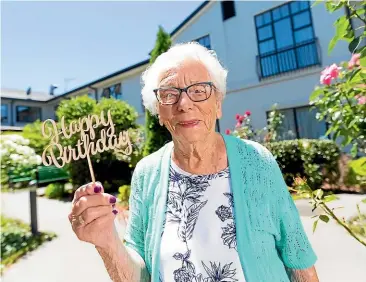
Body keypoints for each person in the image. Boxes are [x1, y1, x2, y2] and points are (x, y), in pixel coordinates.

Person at [68, 42, 319, 282]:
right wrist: (107, 242)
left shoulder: (258, 161)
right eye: (169, 94)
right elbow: (140, 276)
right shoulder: (147, 173)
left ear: (218, 103)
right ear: (159, 113)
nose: (184, 104)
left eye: (199, 90)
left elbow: (298, 258)